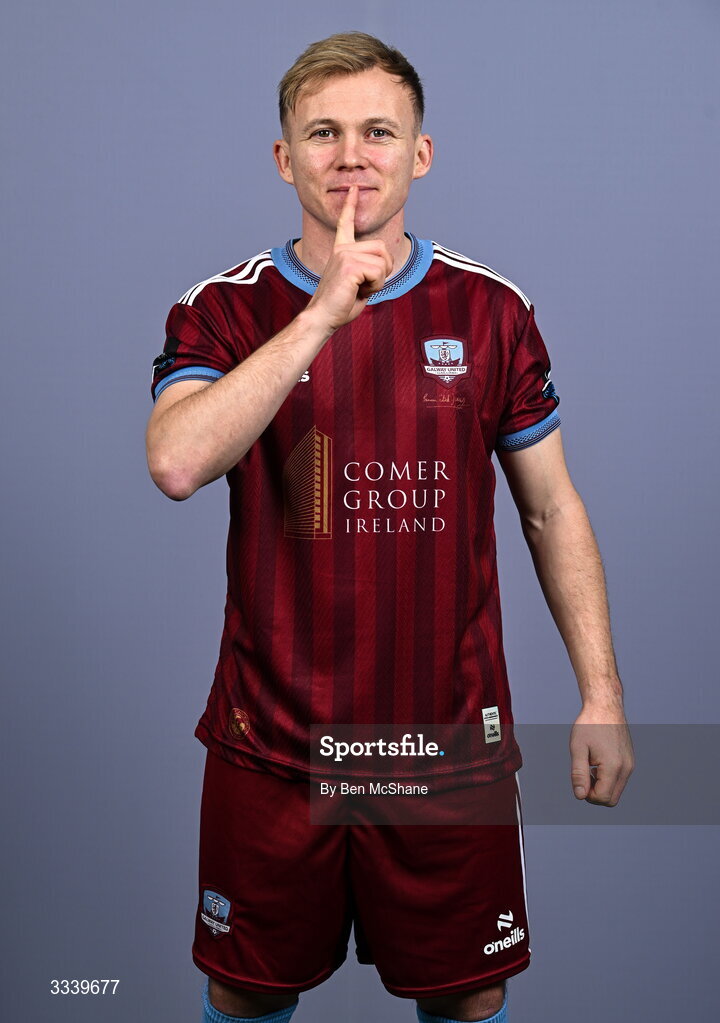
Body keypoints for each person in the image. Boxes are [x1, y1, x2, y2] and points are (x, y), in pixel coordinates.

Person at [146, 31, 634, 1023]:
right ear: (286, 159)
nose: (351, 155)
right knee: (244, 993)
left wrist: (600, 694)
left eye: (378, 131)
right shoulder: (225, 311)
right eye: (323, 133)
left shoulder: (493, 312)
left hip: (445, 749)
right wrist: (322, 317)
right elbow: (178, 462)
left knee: (468, 996)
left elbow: (551, 507)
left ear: (420, 153)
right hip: (275, 743)